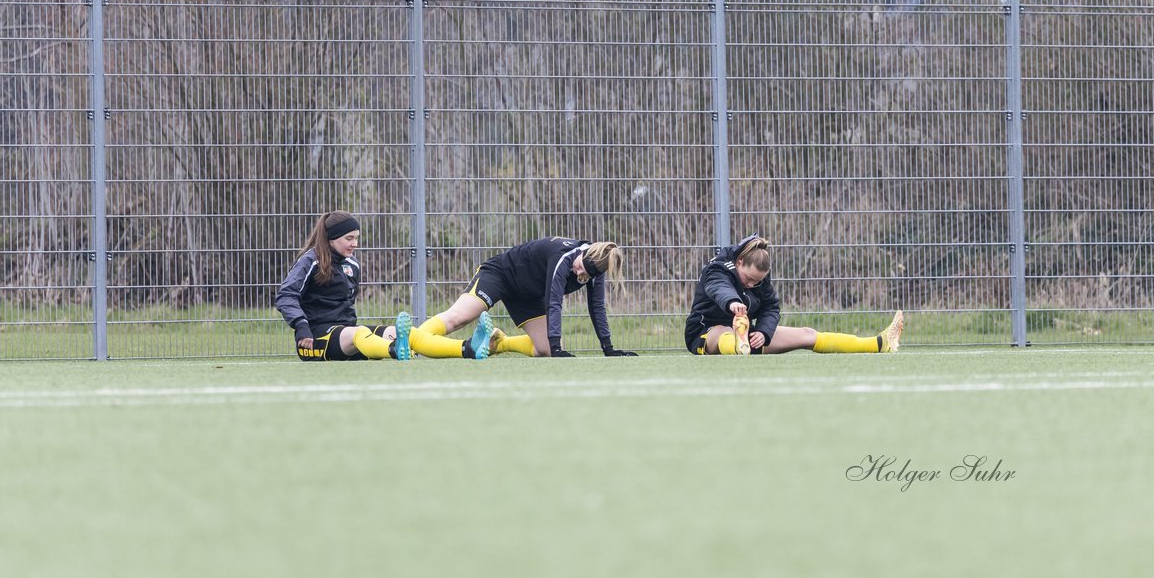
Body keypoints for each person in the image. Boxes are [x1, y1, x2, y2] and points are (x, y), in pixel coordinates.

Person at [275, 211, 494, 361]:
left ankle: (467, 349)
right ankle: (394, 351)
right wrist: (301, 326)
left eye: (357, 238)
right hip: (314, 340)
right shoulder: (310, 260)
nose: (355, 244)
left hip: (347, 337)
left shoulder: (351, 264)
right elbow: (286, 296)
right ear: (332, 238)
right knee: (358, 333)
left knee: (404, 334)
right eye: (349, 238)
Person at [684, 234, 903, 356]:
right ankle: (737, 345)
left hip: (749, 337)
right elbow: (718, 288)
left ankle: (879, 343)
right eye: (748, 279)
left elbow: (770, 307)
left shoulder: (759, 281)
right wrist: (733, 303)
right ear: (740, 262)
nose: (752, 285)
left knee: (807, 334)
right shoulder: (718, 268)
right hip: (705, 333)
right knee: (726, 332)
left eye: (757, 281)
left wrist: (764, 333)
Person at [420, 237, 637, 358]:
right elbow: (554, 303)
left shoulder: (595, 270)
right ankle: (410, 339)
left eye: (585, 276)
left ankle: (499, 343)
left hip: (528, 295)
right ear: (582, 255)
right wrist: (559, 349)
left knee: (545, 350)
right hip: (501, 275)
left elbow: (597, 309)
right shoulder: (563, 256)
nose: (579, 274)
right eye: (580, 268)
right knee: (458, 318)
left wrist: (608, 348)